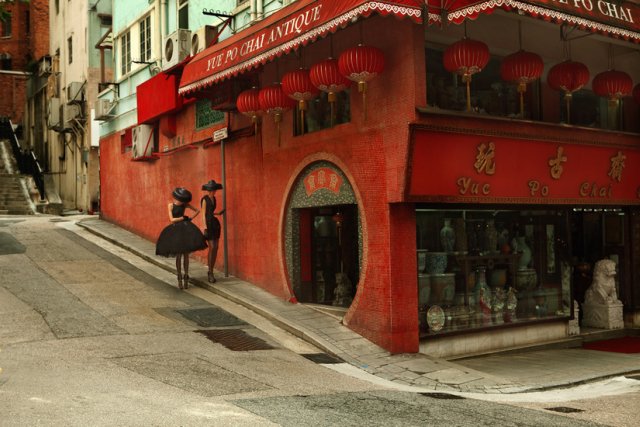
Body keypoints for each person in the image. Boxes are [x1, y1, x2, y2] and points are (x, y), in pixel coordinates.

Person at [156, 187, 207, 289]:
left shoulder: (185, 205)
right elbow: (171, 220)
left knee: (186, 254)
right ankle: (179, 276)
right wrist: (182, 218)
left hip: (184, 230)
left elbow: (197, 210)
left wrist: (190, 218)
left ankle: (186, 275)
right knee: (179, 255)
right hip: (176, 231)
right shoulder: (171, 205)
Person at [200, 179, 224, 283]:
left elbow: (211, 212)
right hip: (208, 225)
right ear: (209, 190)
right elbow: (203, 214)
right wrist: (204, 227)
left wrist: (218, 213)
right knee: (212, 247)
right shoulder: (204, 199)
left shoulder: (214, 198)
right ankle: (210, 272)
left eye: (215, 189)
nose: (214, 191)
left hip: (215, 224)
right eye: (213, 189)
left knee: (216, 248)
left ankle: (211, 270)